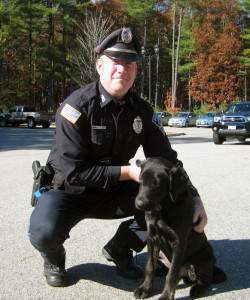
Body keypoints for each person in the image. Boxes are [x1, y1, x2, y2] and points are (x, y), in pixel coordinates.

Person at [28, 27, 207, 287]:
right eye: (115, 62)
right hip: (70, 192)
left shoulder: (143, 111)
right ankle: (53, 256)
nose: (122, 69)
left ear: (136, 71)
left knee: (171, 198)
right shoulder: (74, 108)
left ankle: (121, 247)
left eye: (129, 64)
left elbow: (169, 161)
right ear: (100, 66)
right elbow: (75, 172)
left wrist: (194, 199)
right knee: (44, 232)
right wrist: (130, 172)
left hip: (114, 192)